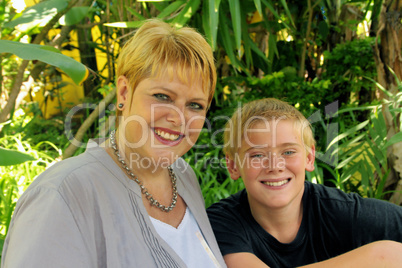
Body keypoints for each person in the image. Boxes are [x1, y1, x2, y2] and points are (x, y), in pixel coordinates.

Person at [2, 19, 226, 268]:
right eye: (162, 96)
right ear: (123, 93)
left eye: (195, 105)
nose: (178, 118)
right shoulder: (63, 195)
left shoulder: (184, 176)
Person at [207, 98, 402, 268]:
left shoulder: (343, 211)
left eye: (288, 152)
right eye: (257, 155)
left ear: (309, 158)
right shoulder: (220, 223)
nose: (275, 166)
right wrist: (381, 256)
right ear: (233, 165)